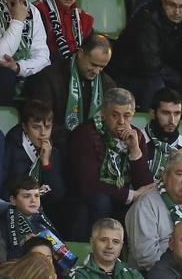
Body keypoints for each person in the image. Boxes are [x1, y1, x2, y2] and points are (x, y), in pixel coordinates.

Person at [108, 0, 182, 112]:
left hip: (165, 77)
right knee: (156, 86)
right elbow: (150, 66)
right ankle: (147, 130)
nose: (177, 12)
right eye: (172, 5)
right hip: (128, 76)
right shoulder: (147, 18)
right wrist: (178, 78)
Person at [66, 89, 154, 229]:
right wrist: (130, 195)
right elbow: (89, 184)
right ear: (104, 113)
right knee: (101, 200)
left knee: (147, 201)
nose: (121, 121)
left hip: (120, 197)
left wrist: (135, 151)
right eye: (115, 115)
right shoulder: (84, 134)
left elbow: (146, 185)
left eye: (127, 116)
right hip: (89, 198)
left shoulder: (136, 135)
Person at [21, 34, 114, 143]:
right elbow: (41, 120)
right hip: (58, 144)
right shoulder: (50, 77)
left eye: (102, 67)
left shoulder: (107, 84)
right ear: (80, 53)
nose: (97, 71)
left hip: (94, 147)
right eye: (93, 64)